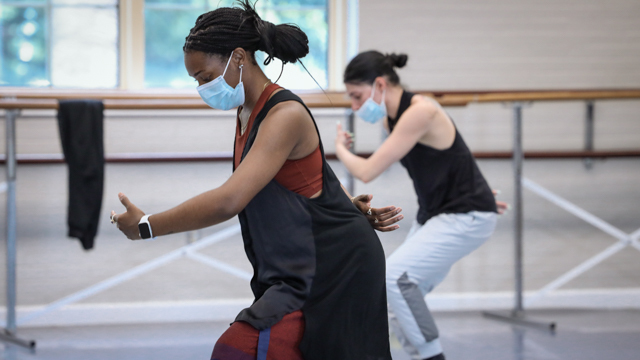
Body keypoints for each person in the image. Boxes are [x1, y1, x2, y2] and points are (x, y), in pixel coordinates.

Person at [111, 2, 402, 360]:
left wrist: (145, 226)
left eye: (204, 77)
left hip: (334, 267)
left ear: (237, 58)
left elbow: (228, 201)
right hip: (299, 267)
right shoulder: (245, 110)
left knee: (236, 350)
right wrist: (345, 205)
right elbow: (311, 173)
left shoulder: (284, 114)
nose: (202, 88)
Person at [335, 50, 507, 360]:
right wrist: (480, 191)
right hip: (439, 215)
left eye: (357, 96)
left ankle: (432, 356)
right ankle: (416, 355)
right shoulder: (392, 120)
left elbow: (367, 171)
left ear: (379, 84)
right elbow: (444, 160)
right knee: (391, 295)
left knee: (396, 278)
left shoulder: (420, 111)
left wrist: (338, 149)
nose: (355, 106)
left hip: (463, 216)